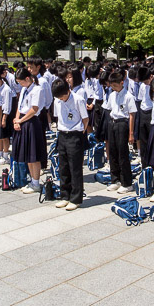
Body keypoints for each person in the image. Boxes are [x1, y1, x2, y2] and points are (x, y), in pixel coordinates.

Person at [52, 78, 88, 210]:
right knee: (63, 167)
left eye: (62, 96)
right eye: (58, 97)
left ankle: (76, 198)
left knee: (75, 168)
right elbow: (58, 116)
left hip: (75, 135)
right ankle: (64, 195)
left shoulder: (78, 99)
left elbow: (85, 119)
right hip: (62, 134)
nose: (61, 99)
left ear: (68, 90)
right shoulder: (57, 100)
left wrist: (80, 134)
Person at [12, 67, 46, 194]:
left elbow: (34, 109)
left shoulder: (37, 89)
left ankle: (36, 182)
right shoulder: (24, 89)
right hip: (22, 121)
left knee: (33, 154)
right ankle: (32, 180)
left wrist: (21, 120)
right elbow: (19, 106)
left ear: (27, 78)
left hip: (31, 122)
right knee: (26, 154)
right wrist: (16, 119)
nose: (21, 84)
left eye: (21, 82)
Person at [103, 71, 137, 194]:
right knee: (112, 152)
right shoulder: (112, 95)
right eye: (111, 86)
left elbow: (132, 115)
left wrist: (131, 133)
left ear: (122, 83)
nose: (113, 88)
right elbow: (109, 109)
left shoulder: (128, 96)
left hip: (123, 124)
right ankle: (115, 179)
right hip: (112, 123)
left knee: (123, 154)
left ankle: (127, 182)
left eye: (115, 86)